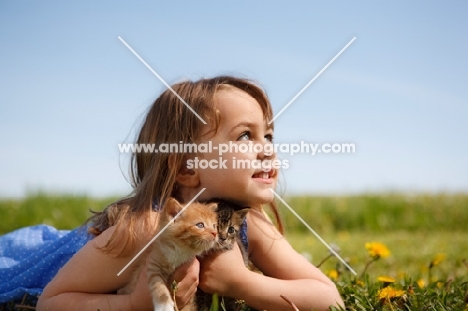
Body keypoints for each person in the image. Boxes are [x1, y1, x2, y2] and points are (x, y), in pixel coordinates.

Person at [27, 76, 341, 310]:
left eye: (268, 136)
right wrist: (136, 304)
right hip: (44, 260)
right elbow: (51, 302)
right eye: (246, 135)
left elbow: (329, 298)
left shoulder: (248, 223)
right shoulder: (146, 227)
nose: (268, 151)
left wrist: (240, 282)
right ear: (187, 168)